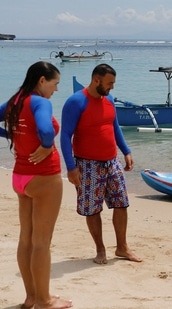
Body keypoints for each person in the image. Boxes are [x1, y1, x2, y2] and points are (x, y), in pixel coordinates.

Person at [0, 61, 72, 308]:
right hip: (43, 178)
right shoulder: (40, 102)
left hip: (20, 177)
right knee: (42, 242)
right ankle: (44, 300)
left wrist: (9, 134)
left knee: (26, 239)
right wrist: (44, 144)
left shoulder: (14, 100)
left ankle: (31, 296)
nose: (56, 89)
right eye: (55, 83)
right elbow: (45, 130)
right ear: (42, 80)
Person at [60, 63, 142, 264]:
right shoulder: (76, 102)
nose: (112, 87)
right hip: (87, 165)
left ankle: (122, 248)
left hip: (111, 162)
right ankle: (100, 250)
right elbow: (65, 136)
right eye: (109, 83)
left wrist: (126, 151)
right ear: (96, 80)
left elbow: (114, 127)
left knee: (121, 203)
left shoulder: (109, 100)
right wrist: (71, 168)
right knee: (92, 209)